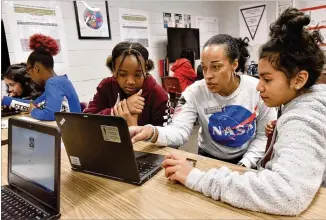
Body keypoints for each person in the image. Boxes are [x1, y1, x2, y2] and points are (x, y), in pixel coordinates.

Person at [159, 8, 325, 216]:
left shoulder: (303, 118)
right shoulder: (304, 103)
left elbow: (286, 193)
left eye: (268, 79)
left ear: (299, 79)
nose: (259, 87)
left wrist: (197, 178)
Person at [130, 34, 277, 169]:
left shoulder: (257, 89)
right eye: (204, 68)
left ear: (234, 64)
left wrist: (245, 164)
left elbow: (263, 135)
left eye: (216, 67)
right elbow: (179, 130)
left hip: (245, 158)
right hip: (208, 158)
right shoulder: (194, 92)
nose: (208, 76)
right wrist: (152, 131)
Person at [83, 42, 168, 127]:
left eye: (137, 75)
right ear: (114, 69)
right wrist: (122, 107)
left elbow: (167, 133)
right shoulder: (107, 86)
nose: (130, 82)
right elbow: (86, 121)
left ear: (145, 69)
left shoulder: (158, 94)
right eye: (123, 74)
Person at [1, 34, 81, 120]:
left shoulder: (53, 83)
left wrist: (33, 111)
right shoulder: (61, 81)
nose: (29, 76)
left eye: (28, 71)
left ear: (36, 69)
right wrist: (4, 100)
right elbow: (35, 103)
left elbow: (50, 114)